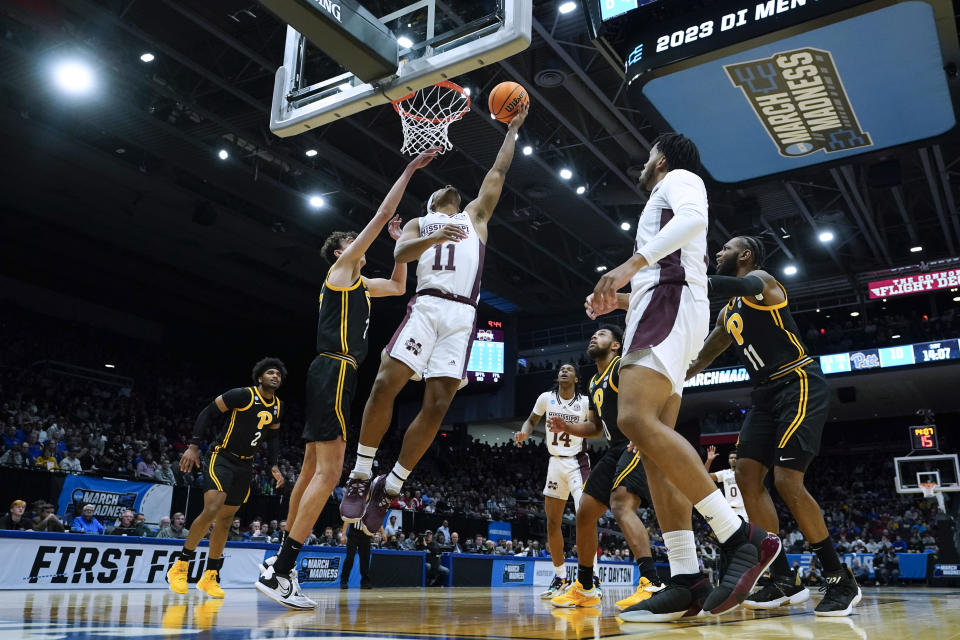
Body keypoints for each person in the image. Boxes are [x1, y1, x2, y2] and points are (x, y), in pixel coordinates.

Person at [586, 134, 780, 622]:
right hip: (663, 305)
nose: (645, 161)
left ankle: (740, 537)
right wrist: (623, 298)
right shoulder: (661, 196)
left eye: (650, 153)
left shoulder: (679, 178)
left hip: (668, 304)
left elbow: (694, 221)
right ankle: (686, 578)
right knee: (654, 451)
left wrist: (631, 266)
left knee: (631, 417)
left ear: (663, 159)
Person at [340, 105, 529, 540]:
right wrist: (431, 236)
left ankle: (390, 486)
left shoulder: (475, 217)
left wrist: (512, 132)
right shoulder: (418, 223)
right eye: (439, 191)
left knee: (439, 403)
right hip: (426, 306)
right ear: (429, 204)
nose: (448, 188)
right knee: (387, 382)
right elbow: (400, 257)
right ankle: (361, 472)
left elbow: (497, 173)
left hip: (462, 314)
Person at [258, 150, 433, 611]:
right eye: (354, 243)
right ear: (341, 251)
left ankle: (278, 560)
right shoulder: (339, 273)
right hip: (335, 368)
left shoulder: (359, 286)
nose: (362, 246)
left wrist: (400, 251)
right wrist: (410, 171)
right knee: (332, 471)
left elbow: (398, 287)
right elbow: (380, 216)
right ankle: (282, 571)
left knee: (315, 470)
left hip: (332, 373)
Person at [685, 234, 860, 617]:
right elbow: (714, 344)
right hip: (763, 394)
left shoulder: (763, 281)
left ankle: (838, 578)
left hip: (798, 381)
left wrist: (690, 275)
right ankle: (783, 579)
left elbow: (744, 284)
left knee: (786, 481)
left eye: (726, 249)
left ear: (745, 256)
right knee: (746, 475)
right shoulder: (729, 310)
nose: (718, 253)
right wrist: (684, 373)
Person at [548, 327, 664, 611]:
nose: (592, 337)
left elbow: (651, 398)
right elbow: (596, 428)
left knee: (621, 503)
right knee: (584, 513)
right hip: (614, 448)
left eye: (600, 334)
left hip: (636, 442)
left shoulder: (622, 368)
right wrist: (568, 427)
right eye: (592, 334)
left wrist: (645, 431)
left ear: (615, 345)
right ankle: (586, 587)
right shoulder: (595, 381)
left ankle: (652, 583)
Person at [169, 358, 287, 599]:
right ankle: (180, 566)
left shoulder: (278, 406)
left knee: (225, 519)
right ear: (259, 378)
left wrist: (274, 464)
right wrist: (193, 446)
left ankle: (210, 575)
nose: (275, 376)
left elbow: (273, 438)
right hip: (221, 456)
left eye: (278, 374)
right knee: (212, 507)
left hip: (245, 465)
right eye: (270, 372)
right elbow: (208, 412)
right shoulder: (242, 395)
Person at [513, 362, 589, 599]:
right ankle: (560, 577)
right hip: (555, 462)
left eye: (569, 369)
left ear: (576, 378)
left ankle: (590, 577)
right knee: (551, 523)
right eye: (561, 369)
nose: (564, 371)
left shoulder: (585, 402)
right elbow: (531, 421)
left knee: (585, 518)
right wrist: (524, 431)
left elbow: (594, 427)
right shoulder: (546, 398)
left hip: (577, 462)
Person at [704, 446, 748, 522]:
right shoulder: (724, 473)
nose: (733, 459)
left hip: (744, 509)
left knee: (745, 533)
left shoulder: (745, 473)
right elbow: (705, 476)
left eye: (736, 458)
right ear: (728, 460)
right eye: (731, 458)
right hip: (729, 510)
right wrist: (709, 460)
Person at [341, 522, 373, 590]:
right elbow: (347, 520)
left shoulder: (371, 510)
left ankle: (365, 582)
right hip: (353, 534)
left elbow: (376, 519)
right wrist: (343, 535)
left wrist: (383, 532)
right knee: (350, 558)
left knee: (365, 559)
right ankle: (344, 581)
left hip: (366, 535)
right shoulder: (354, 510)